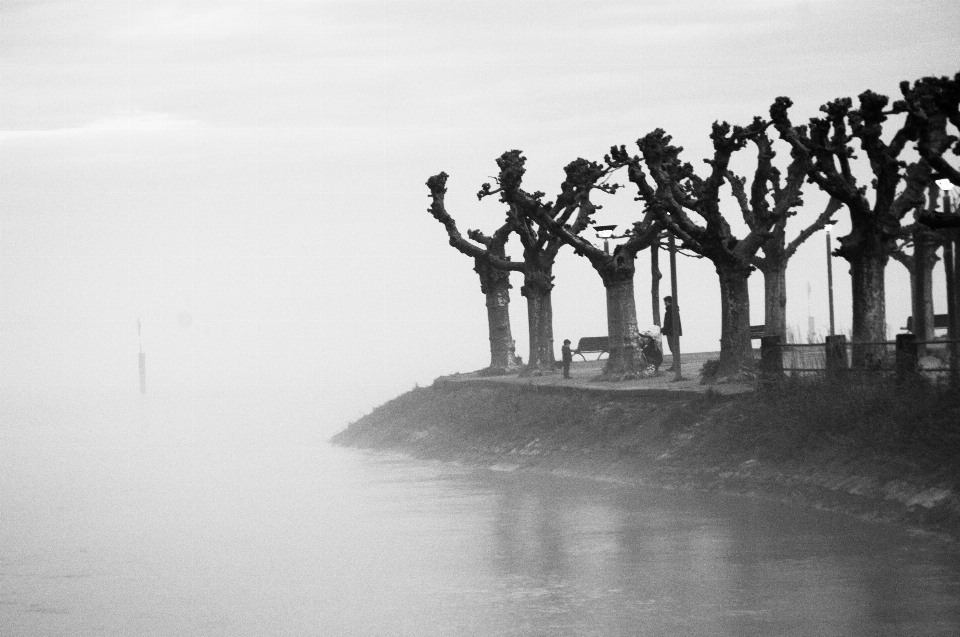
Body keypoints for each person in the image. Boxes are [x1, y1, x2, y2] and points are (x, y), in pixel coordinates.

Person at [662, 296, 682, 368]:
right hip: (673, 332)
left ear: (669, 302)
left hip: (671, 333)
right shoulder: (674, 310)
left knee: (673, 349)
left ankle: (675, 366)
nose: (664, 303)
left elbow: (668, 323)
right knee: (674, 349)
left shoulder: (670, 311)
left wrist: (663, 330)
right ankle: (675, 366)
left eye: (665, 302)